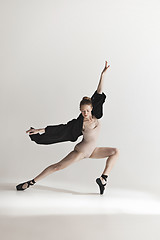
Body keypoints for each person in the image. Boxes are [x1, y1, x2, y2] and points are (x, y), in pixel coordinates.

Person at [16, 61, 119, 195]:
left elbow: (99, 92)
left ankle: (103, 179)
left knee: (115, 152)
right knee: (57, 167)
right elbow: (61, 129)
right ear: (80, 111)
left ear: (91, 108)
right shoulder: (79, 123)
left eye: (87, 110)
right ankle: (30, 182)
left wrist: (102, 75)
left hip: (92, 151)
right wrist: (41, 130)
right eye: (82, 111)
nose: (85, 113)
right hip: (81, 152)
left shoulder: (96, 114)